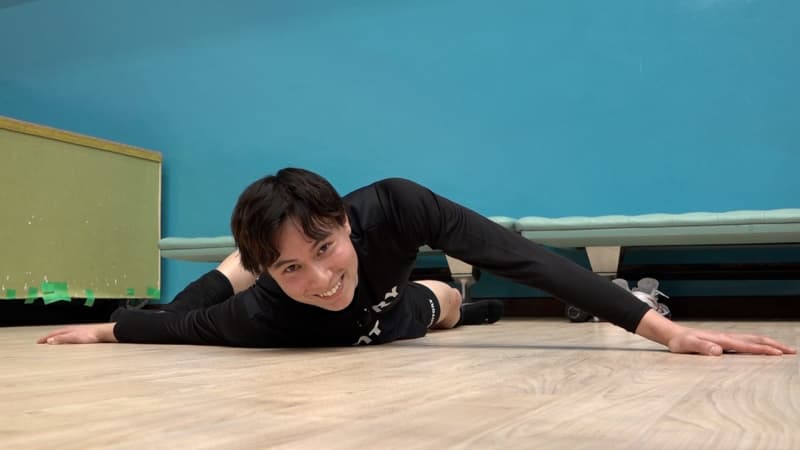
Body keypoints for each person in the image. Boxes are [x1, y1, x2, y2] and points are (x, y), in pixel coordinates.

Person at [38, 168, 795, 356]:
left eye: (325, 248)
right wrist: (108, 328)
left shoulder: (394, 209)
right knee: (425, 309)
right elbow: (175, 324)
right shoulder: (258, 318)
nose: (320, 278)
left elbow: (519, 257)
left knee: (450, 299)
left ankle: (455, 300)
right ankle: (250, 260)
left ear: (346, 222)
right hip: (380, 320)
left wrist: (665, 331)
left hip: (394, 298)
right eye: (291, 266)